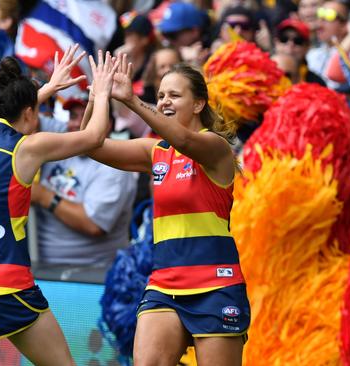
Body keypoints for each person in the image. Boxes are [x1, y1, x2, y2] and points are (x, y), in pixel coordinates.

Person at [0, 45, 118, 365]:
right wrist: (101, 92)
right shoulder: (28, 148)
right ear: (30, 112)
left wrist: (44, 90)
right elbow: (95, 136)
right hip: (4, 285)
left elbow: (10, 117)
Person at [82, 53, 250, 365]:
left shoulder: (215, 147)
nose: (164, 102)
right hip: (165, 283)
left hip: (216, 284)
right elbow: (91, 144)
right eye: (160, 96)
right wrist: (98, 96)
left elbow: (184, 140)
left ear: (198, 104)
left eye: (174, 95)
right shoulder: (155, 151)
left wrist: (133, 101)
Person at [30, 93, 137, 265]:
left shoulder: (116, 167)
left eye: (88, 117)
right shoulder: (63, 135)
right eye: (73, 116)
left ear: (106, 125)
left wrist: (43, 196)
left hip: (91, 278)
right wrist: (46, 90)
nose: (78, 125)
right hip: (40, 268)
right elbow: (23, 116)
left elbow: (93, 225)